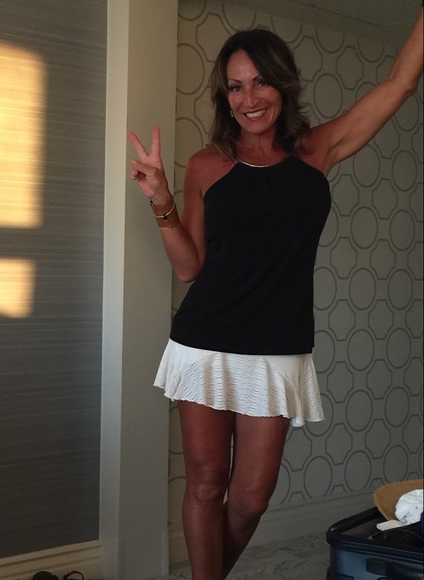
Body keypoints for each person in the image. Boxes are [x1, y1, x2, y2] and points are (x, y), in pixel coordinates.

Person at [128, 7, 423, 580]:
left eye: (260, 81)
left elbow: (399, 84)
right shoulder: (208, 165)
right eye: (236, 86)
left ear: (282, 84)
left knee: (250, 498)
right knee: (206, 486)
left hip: (278, 348)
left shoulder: (316, 150)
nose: (249, 98)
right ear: (225, 96)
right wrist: (161, 199)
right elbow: (189, 268)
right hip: (205, 342)